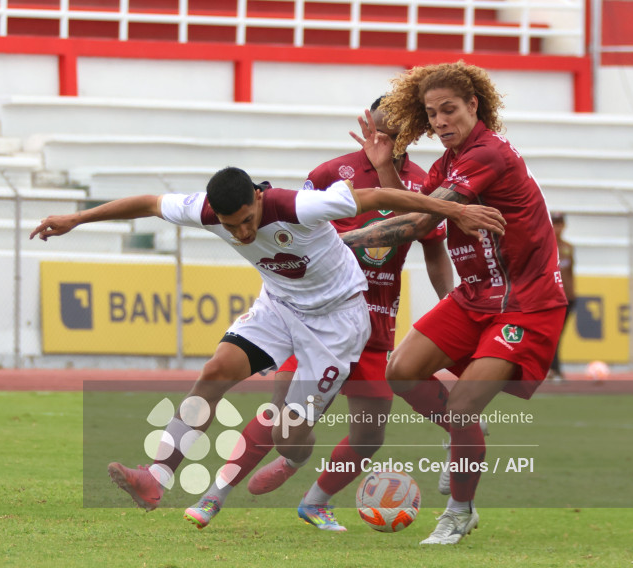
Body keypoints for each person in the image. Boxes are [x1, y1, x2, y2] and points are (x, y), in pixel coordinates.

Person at [29, 165, 505, 513]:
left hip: (337, 322)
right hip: (278, 307)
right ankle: (155, 477)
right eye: (229, 224)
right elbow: (150, 204)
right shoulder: (206, 211)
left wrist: (453, 209)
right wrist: (77, 219)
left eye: (246, 221)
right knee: (215, 370)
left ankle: (296, 457)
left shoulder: (300, 206)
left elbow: (379, 194)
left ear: (258, 198)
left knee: (289, 435)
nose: (240, 232)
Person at [182, 97, 459, 532]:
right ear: (367, 124)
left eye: (395, 132)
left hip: (375, 318)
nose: (385, 138)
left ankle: (316, 501)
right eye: (379, 129)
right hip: (312, 316)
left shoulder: (422, 184)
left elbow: (433, 250)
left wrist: (451, 309)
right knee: (281, 414)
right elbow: (287, 236)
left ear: (411, 134)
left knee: (369, 435)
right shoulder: (331, 174)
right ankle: (215, 495)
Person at [340, 61, 568, 545]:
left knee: (461, 405)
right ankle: (464, 432)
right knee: (401, 370)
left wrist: (344, 241)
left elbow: (422, 227)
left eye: (449, 110)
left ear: (474, 106)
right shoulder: (447, 165)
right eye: (431, 114)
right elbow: (424, 213)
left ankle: (459, 512)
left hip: (525, 303)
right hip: (475, 296)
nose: (441, 121)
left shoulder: (487, 154)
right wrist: (384, 165)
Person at [547, 211, 576, 381]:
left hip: (568, 298)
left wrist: (573, 293)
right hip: (551, 298)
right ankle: (555, 370)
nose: (557, 228)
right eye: (554, 223)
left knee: (557, 335)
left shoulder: (568, 248)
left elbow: (571, 273)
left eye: (559, 224)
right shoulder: (545, 246)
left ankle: (554, 370)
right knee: (552, 334)